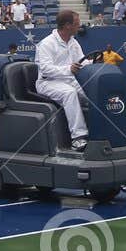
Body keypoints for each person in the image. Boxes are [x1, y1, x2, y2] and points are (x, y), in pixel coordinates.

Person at [34, 9, 90, 151]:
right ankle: (78, 138)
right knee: (69, 93)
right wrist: (68, 69)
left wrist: (93, 62)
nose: (80, 26)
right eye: (77, 24)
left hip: (68, 81)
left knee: (90, 93)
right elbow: (46, 69)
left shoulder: (73, 42)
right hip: (47, 83)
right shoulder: (46, 44)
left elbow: (81, 62)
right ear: (67, 26)